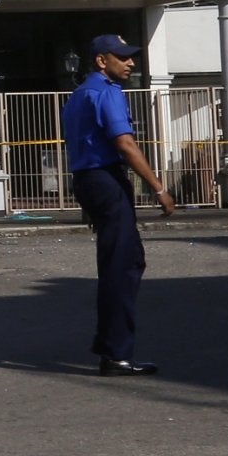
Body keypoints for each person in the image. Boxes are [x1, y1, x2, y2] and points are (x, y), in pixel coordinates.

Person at [59, 34, 174, 375]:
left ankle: (111, 346)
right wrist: (158, 188)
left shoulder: (79, 94)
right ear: (101, 60)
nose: (131, 63)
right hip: (105, 178)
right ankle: (116, 353)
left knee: (124, 260)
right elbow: (124, 143)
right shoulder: (107, 92)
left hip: (89, 179)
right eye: (122, 57)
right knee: (121, 266)